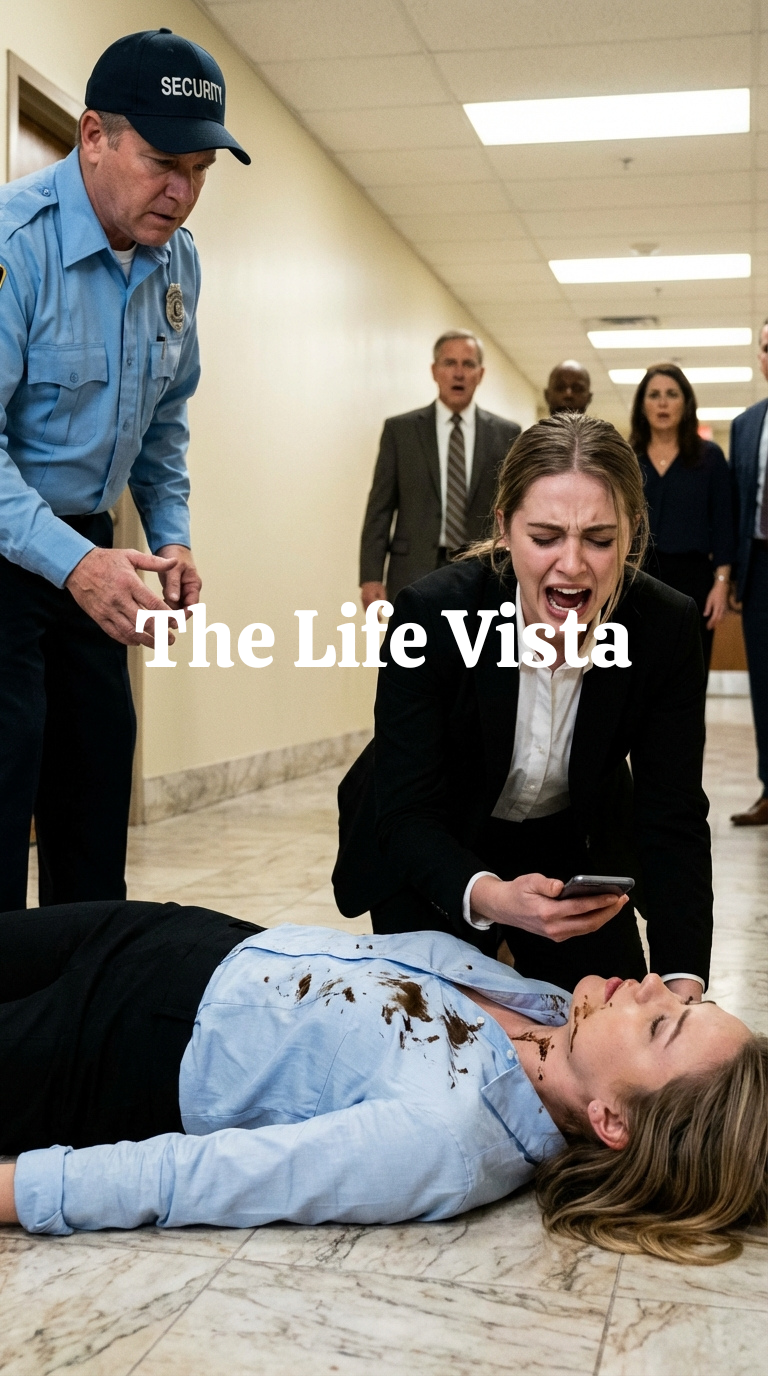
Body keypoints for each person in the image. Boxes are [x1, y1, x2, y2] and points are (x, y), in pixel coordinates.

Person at [0, 903, 764, 1265]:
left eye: (662, 1027)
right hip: (179, 938)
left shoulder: (451, 1139)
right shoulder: (550, 1008)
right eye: (684, 1003)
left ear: (612, 1122)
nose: (655, 987)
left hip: (115, 1047)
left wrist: (19, 1192)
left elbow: (213, 1178)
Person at [334, 413, 711, 1000]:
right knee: (434, 1027)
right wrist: (494, 899)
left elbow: (673, 814)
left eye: (600, 539)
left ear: (632, 534)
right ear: (504, 528)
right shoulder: (431, 615)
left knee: (608, 1026)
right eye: (545, 537)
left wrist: (682, 981)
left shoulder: (666, 627)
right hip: (434, 837)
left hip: (569, 844)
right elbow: (407, 813)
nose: (572, 565)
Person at [0, 28, 250, 912]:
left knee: (94, 809)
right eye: (162, 163)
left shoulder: (178, 261)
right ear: (93, 135)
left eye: (199, 171)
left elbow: (163, 423)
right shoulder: (16, 244)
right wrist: (75, 565)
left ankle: (82, 992)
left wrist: (172, 536)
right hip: (10, 557)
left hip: (96, 552)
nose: (181, 192)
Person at [359, 330, 520, 609]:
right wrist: (371, 576)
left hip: (481, 569)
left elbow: (514, 507)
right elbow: (380, 508)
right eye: (449, 363)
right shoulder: (401, 431)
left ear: (480, 374)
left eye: (468, 364)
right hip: (412, 568)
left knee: (476, 637)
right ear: (434, 371)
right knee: (413, 638)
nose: (459, 373)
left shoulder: (506, 434)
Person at [629, 363, 734, 676]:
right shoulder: (628, 458)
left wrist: (721, 584)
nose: (663, 402)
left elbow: (724, 525)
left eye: (672, 394)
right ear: (642, 405)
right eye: (654, 395)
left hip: (694, 582)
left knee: (689, 675)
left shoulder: (709, 457)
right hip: (638, 578)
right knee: (640, 675)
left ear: (686, 404)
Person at [729, 319, 768, 827]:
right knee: (765, 686)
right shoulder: (746, 425)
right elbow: (738, 502)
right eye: (767, 347)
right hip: (760, 568)